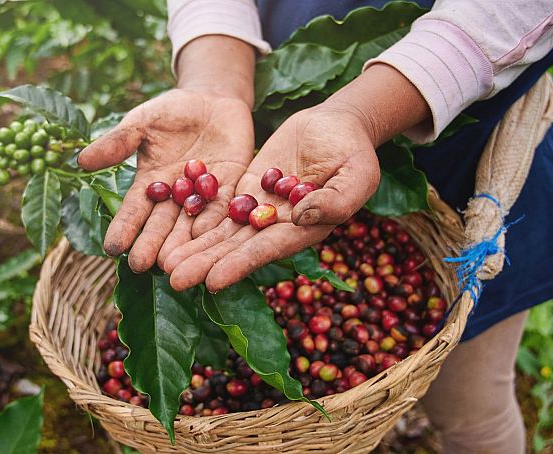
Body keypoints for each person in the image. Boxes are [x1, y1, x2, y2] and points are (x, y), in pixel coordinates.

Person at [77, 1, 553, 452]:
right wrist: (215, 81)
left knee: (473, 408)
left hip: (468, 147)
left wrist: (362, 113)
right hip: (271, 137)